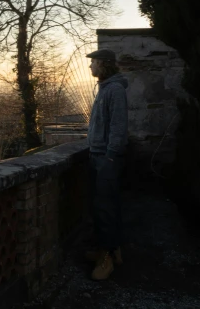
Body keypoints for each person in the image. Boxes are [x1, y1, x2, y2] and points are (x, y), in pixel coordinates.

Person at [84, 48, 128, 281]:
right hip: (99, 156)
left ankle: (108, 258)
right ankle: (110, 250)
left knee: (105, 208)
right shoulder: (105, 89)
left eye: (93, 63)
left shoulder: (115, 90)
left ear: (104, 64)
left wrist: (110, 157)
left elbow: (118, 128)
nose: (90, 67)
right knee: (102, 206)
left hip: (106, 158)